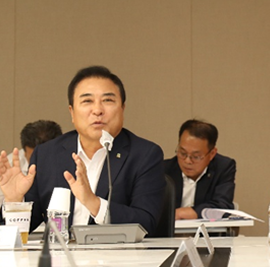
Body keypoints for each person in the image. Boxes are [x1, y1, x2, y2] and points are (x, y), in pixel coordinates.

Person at [0, 66, 165, 235]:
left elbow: (146, 223)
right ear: (72, 112)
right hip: (60, 251)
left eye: (108, 100)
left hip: (115, 251)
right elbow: (26, 227)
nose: (97, 110)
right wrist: (14, 202)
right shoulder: (47, 154)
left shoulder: (145, 155)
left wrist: (93, 203)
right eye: (87, 101)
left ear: (122, 108)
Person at [163, 119, 236, 220]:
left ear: (212, 154)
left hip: (209, 229)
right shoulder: (163, 169)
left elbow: (223, 205)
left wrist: (184, 213)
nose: (187, 161)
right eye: (183, 153)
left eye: (196, 156)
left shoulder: (223, 167)